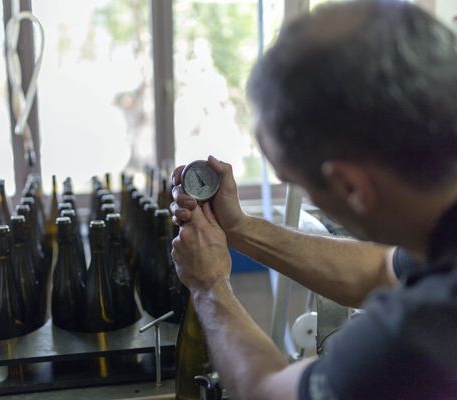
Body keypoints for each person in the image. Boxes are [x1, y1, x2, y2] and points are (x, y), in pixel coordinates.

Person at [170, 1, 457, 399]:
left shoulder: (415, 339)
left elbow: (267, 391)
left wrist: (207, 285)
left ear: (351, 186)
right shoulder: (441, 229)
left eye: (298, 182)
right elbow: (379, 270)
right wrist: (240, 229)